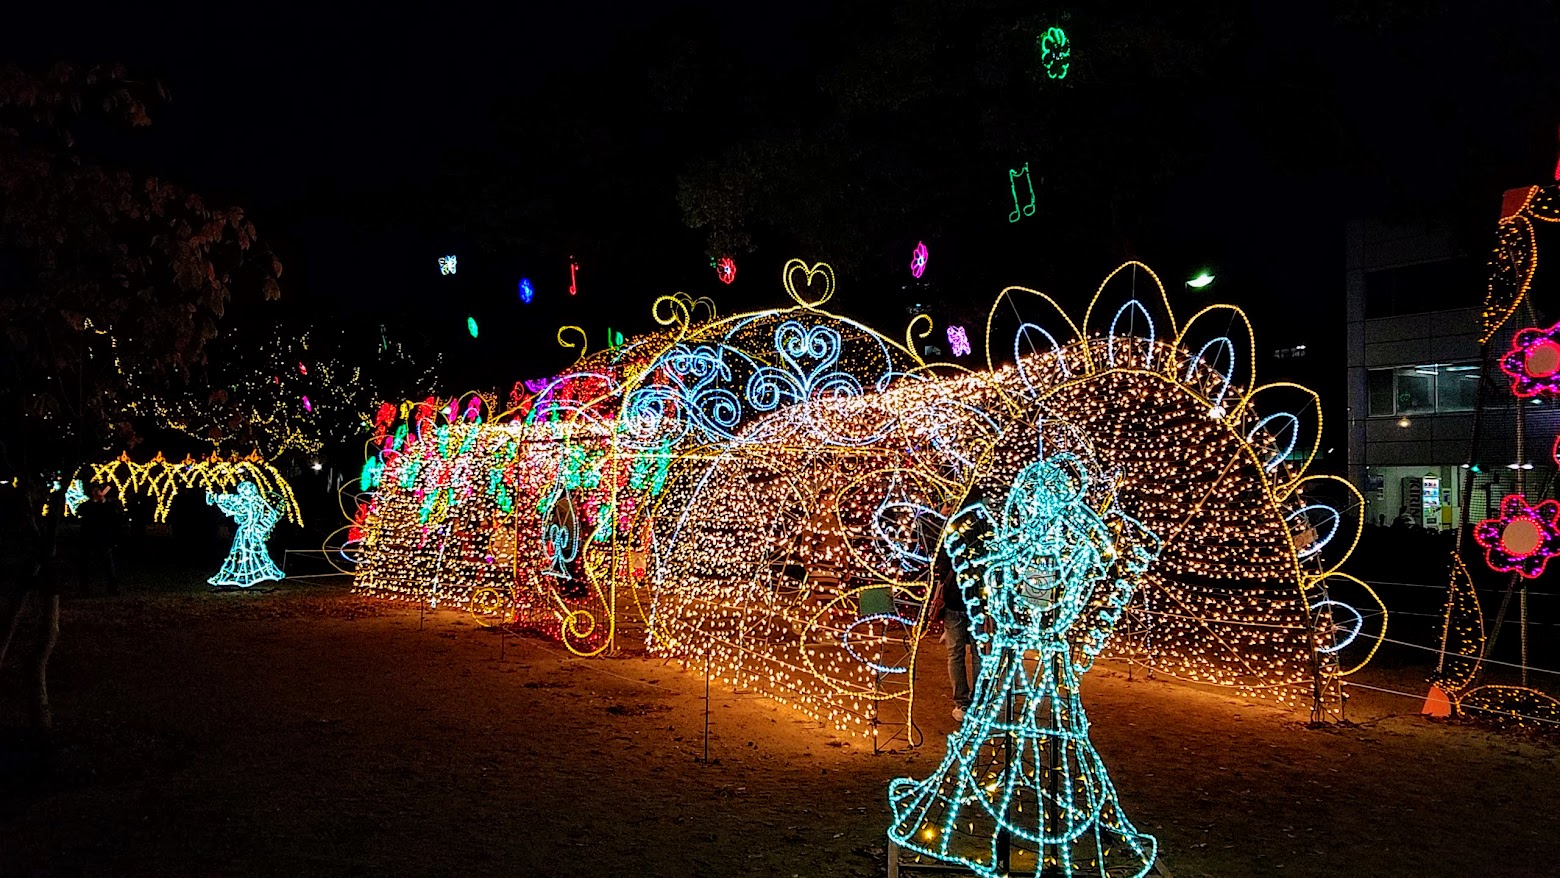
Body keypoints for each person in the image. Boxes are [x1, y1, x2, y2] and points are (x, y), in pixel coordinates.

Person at [927, 499, 981, 722]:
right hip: (976, 599)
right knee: (977, 653)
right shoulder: (981, 526)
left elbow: (938, 557)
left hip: (955, 599)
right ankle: (978, 701)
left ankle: (963, 702)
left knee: (956, 652)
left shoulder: (949, 530)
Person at [77, 484, 123, 595]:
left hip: (104, 539)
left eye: (97, 490)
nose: (95, 493)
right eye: (93, 491)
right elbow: (80, 511)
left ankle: (112, 588)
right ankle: (85, 589)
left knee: (108, 566)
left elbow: (115, 521)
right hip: (89, 539)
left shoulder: (110, 506)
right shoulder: (88, 505)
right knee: (86, 565)